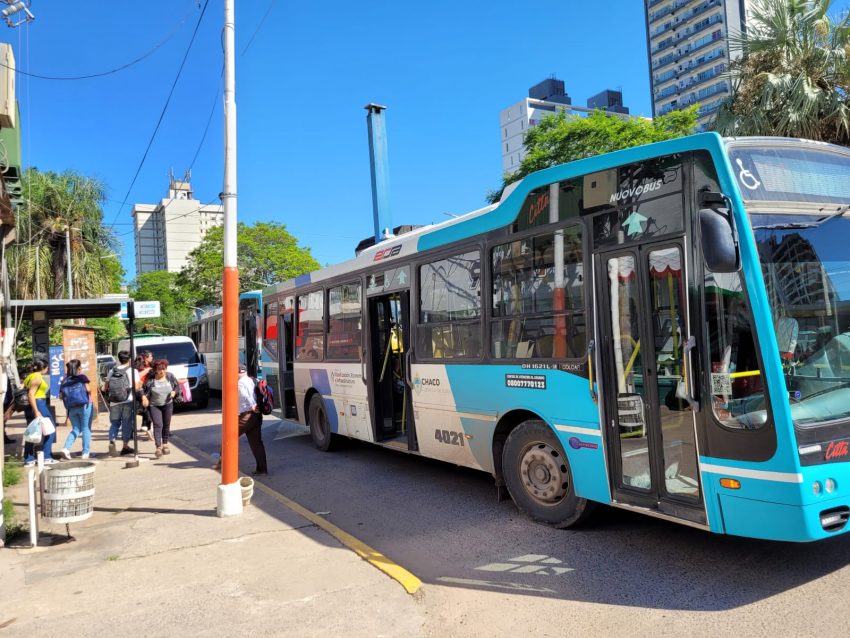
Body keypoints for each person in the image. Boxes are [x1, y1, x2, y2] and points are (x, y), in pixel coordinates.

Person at [212, 363, 268, 475]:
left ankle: (221, 463)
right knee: (256, 443)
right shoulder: (251, 379)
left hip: (246, 416)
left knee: (227, 436)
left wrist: (253, 406)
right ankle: (262, 469)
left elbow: (246, 396)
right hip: (256, 416)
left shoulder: (240, 383)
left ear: (237, 372)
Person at [58, 359, 95, 460]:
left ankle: (66, 448)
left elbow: (61, 396)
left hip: (71, 408)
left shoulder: (64, 380)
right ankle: (85, 453)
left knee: (76, 429)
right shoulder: (82, 377)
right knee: (86, 428)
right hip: (85, 406)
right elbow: (88, 389)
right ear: (79, 368)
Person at [141, 359, 178, 459]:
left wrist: (174, 392)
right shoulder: (151, 379)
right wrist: (144, 397)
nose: (162, 371)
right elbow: (143, 390)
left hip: (168, 404)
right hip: (154, 405)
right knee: (158, 425)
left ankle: (165, 444)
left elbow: (176, 386)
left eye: (164, 369)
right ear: (155, 370)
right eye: (159, 369)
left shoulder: (170, 376)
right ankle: (158, 447)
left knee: (166, 424)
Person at [22, 356, 56, 467]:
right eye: (47, 367)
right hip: (38, 404)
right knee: (50, 430)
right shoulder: (37, 377)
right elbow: (31, 394)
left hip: (30, 406)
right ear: (43, 368)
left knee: (32, 431)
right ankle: (46, 457)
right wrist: (36, 410)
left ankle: (28, 458)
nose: (48, 369)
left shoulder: (29, 376)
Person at [104, 350, 135, 456]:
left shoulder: (112, 371)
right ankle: (125, 446)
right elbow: (138, 386)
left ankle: (112, 440)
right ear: (129, 359)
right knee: (126, 423)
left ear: (119, 359)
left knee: (115, 423)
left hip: (114, 401)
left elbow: (105, 388)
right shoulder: (132, 371)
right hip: (128, 400)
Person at [134, 353, 153, 440]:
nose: (152, 358)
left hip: (141, 390)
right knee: (147, 410)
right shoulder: (144, 368)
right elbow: (138, 378)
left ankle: (145, 427)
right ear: (146, 358)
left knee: (146, 409)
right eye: (151, 356)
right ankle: (147, 428)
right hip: (141, 390)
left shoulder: (144, 366)